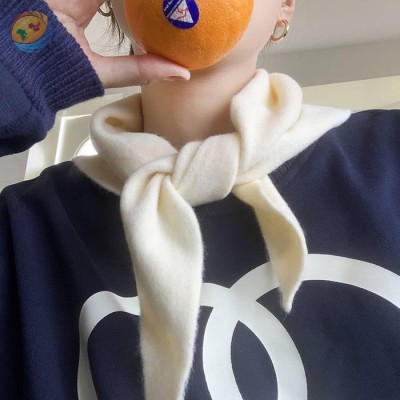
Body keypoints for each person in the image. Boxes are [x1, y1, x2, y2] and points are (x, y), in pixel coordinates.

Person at [1, 0, 400, 399]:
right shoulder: (20, 229)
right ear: (109, 6)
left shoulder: (389, 151)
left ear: (285, 6)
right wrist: (18, 60)